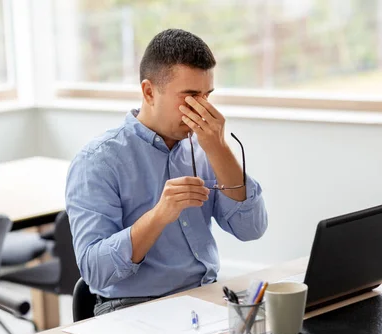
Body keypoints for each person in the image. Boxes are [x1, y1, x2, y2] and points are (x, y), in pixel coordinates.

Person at [66, 28, 268, 316]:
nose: (202, 108)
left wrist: (220, 149)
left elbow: (252, 229)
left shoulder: (205, 148)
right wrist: (159, 215)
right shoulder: (98, 161)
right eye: (189, 96)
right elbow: (95, 271)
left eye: (207, 95)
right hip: (134, 308)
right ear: (149, 92)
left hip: (205, 297)